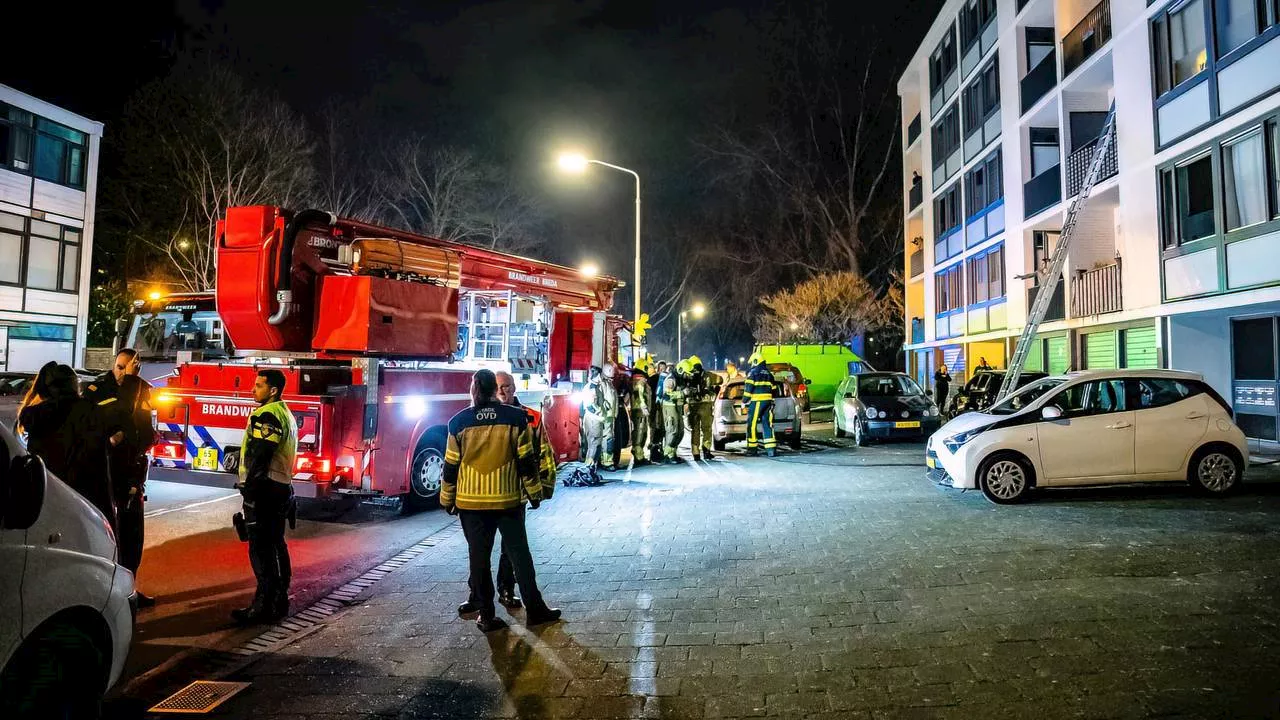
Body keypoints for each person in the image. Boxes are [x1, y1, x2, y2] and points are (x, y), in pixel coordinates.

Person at [442, 369, 559, 632]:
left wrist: (447, 500)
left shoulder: (458, 422)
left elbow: (450, 467)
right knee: (520, 555)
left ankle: (486, 614)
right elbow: (527, 463)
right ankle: (536, 609)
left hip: (470, 504)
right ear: (495, 390)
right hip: (507, 501)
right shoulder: (516, 418)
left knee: (478, 559)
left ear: (474, 389)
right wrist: (535, 494)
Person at [83, 348, 158, 608]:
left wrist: (134, 439)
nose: (123, 372)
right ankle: (102, 592)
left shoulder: (141, 390)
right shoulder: (96, 391)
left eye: (129, 367)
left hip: (132, 471)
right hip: (103, 472)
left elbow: (147, 429)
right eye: (120, 366)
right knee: (103, 535)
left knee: (132, 536)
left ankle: (129, 590)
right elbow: (89, 429)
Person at [231, 369, 297, 624]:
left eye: (258, 386)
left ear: (273, 391)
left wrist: (250, 490)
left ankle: (263, 606)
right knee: (277, 545)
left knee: (261, 550)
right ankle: (279, 601)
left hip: (265, 490)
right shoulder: (286, 413)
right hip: (280, 488)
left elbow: (261, 455)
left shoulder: (267, 415)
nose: (252, 389)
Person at [18, 363, 120, 524]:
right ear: (74, 385)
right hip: (86, 501)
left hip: (46, 496)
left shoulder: (34, 415)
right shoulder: (91, 412)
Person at [582, 364, 619, 471]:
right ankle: (591, 467)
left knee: (600, 442)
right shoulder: (593, 387)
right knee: (596, 443)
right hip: (598, 418)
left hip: (604, 416)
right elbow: (591, 406)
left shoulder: (605, 384)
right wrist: (602, 414)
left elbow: (604, 400)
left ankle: (593, 467)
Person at [682, 356, 718, 461]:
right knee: (707, 429)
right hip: (706, 405)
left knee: (695, 430)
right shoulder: (708, 375)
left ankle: (695, 453)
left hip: (693, 406)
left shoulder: (688, 375)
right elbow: (720, 380)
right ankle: (706, 450)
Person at [743, 353, 778, 457]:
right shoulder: (769, 374)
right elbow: (774, 390)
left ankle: (752, 449)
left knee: (752, 424)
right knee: (767, 424)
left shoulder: (753, 373)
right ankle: (771, 450)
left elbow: (748, 389)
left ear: (755, 361)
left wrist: (744, 401)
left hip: (757, 402)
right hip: (768, 403)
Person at [658, 368, 684, 464]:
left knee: (680, 431)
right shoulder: (671, 379)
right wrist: (682, 394)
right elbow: (667, 395)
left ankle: (672, 453)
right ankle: (667, 454)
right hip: (670, 407)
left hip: (677, 407)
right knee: (672, 430)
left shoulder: (679, 378)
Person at [629, 369, 651, 467]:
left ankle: (639, 455)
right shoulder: (640, 381)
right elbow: (640, 395)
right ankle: (639, 457)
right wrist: (644, 407)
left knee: (640, 433)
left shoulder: (635, 380)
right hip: (640, 411)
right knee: (640, 433)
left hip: (638, 410)